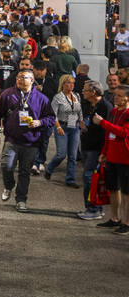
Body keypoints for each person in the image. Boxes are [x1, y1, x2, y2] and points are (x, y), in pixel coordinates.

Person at [0, 69, 55, 211]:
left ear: (32, 80)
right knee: (6, 166)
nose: (19, 80)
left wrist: (40, 122)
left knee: (24, 172)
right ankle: (8, 186)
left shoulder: (41, 98)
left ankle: (21, 200)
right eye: (18, 77)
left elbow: (51, 118)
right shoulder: (8, 94)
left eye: (23, 77)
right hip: (12, 140)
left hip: (31, 142)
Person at [92, 88, 129, 233]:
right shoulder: (114, 112)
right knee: (113, 189)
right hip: (112, 157)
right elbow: (109, 135)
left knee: (126, 192)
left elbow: (124, 132)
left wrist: (102, 123)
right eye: (115, 95)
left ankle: (126, 222)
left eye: (119, 96)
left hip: (126, 159)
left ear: (126, 98)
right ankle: (114, 218)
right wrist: (104, 152)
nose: (115, 98)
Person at [78, 81, 109, 220]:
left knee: (90, 178)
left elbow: (106, 132)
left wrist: (103, 152)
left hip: (96, 149)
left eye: (85, 90)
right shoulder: (91, 105)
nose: (82, 92)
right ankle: (94, 207)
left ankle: (93, 209)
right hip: (88, 145)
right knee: (89, 177)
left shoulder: (105, 107)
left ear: (93, 92)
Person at [45, 74, 83, 187]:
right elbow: (53, 115)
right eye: (68, 83)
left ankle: (70, 179)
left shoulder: (76, 96)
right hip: (62, 126)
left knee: (72, 155)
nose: (71, 85)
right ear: (63, 84)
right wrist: (58, 127)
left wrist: (81, 122)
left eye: (72, 83)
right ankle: (50, 168)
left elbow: (79, 111)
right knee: (61, 154)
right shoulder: (58, 97)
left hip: (74, 126)